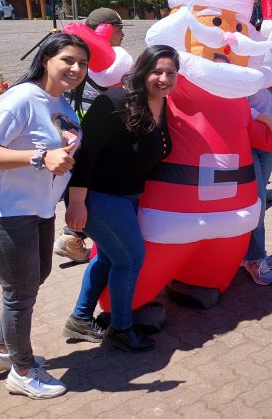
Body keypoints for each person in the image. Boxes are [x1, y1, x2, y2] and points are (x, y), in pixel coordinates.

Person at [0, 33, 89, 399]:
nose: (76, 68)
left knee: (34, 280)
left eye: (82, 63)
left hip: (38, 209)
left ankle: (2, 350)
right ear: (46, 58)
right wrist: (38, 157)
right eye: (68, 59)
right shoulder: (19, 99)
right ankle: (22, 371)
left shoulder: (62, 104)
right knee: (19, 293)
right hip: (3, 212)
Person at [62, 45, 179, 352]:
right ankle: (121, 329)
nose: (163, 78)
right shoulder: (114, 101)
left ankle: (80, 318)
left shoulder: (163, 104)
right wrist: (76, 203)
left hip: (128, 195)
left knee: (108, 257)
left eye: (170, 72)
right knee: (130, 259)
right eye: (157, 71)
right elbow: (85, 154)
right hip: (98, 195)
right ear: (143, 71)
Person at [54, 7, 131, 264]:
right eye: (120, 30)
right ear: (107, 30)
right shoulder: (104, 63)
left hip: (78, 135)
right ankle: (72, 236)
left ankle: (73, 234)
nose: (123, 36)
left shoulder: (84, 58)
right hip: (94, 139)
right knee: (87, 189)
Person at [242, 34, 272, 285]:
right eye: (267, 42)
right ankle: (254, 258)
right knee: (257, 203)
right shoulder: (248, 76)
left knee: (259, 203)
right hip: (248, 146)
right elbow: (237, 105)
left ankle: (252, 253)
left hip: (266, 148)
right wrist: (264, 118)